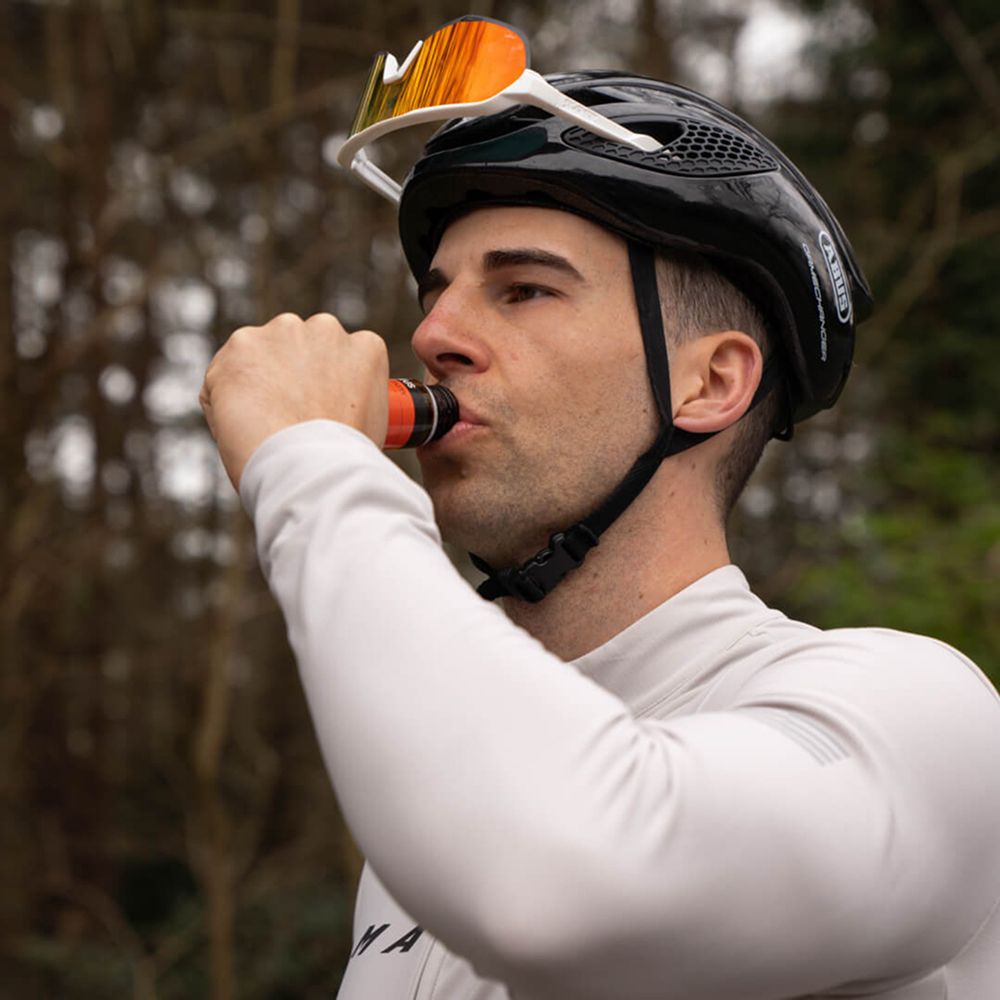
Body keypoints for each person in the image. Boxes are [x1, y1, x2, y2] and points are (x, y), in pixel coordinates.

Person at [199, 17, 1000, 1000]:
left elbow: (567, 876)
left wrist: (309, 461)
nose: (435, 333)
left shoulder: (922, 722)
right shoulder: (443, 802)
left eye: (525, 290)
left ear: (710, 383)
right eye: (438, 293)